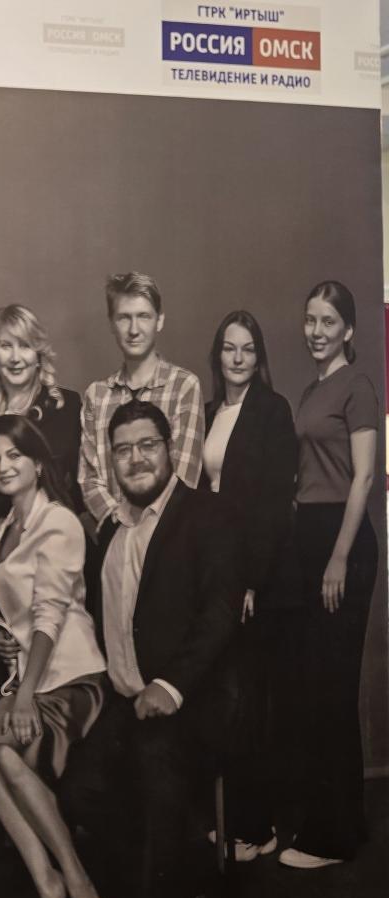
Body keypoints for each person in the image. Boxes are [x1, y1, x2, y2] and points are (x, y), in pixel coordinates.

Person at [61, 401, 239, 898]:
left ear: (170, 449)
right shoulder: (110, 530)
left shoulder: (207, 514)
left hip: (192, 701)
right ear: (110, 461)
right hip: (126, 702)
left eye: (147, 445)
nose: (135, 458)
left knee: (155, 770)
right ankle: (186, 882)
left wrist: (171, 684)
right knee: (79, 790)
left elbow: (220, 612)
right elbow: (95, 619)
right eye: (123, 449)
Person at [0, 416, 107, 898]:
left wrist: (25, 694)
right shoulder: (5, 527)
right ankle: (45, 880)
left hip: (71, 674)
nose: (3, 466)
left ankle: (74, 878)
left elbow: (51, 612)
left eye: (13, 456)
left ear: (38, 462)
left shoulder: (60, 522)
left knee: (5, 755)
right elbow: (19, 615)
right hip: (27, 674)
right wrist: (4, 640)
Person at [280, 281, 380, 869]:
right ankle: (341, 824)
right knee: (316, 687)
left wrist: (339, 555)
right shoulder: (311, 390)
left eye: (328, 322)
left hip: (344, 539)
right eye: (310, 320)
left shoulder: (357, 386)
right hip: (310, 536)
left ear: (348, 330)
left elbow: (364, 478)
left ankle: (333, 839)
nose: (316, 332)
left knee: (333, 688)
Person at [200, 311, 297, 861]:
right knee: (223, 697)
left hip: (256, 576)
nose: (237, 359)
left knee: (251, 699)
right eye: (229, 349)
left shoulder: (271, 410)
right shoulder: (210, 412)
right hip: (218, 570)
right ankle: (232, 817)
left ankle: (258, 828)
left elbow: (274, 506)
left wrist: (253, 581)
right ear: (218, 356)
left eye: (247, 350)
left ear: (259, 358)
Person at [78, 272, 204, 534]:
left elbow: (184, 477)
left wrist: (146, 534)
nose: (134, 330)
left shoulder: (184, 386)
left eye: (143, 316)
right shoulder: (96, 395)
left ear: (159, 321)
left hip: (169, 535)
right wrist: (121, 529)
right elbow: (90, 481)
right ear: (111, 323)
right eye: (124, 317)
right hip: (114, 536)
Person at [0, 304, 84, 532]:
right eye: (6, 346)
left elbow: (78, 490)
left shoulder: (67, 407)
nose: (15, 358)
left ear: (38, 355)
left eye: (25, 346)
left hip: (51, 535)